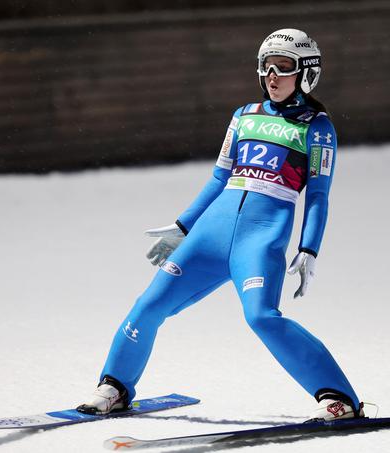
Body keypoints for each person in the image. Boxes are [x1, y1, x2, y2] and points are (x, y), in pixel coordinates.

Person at [77, 28, 363, 421]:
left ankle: (339, 398)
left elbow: (317, 196)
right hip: (210, 235)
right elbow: (218, 180)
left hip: (258, 241)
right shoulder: (243, 116)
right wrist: (183, 225)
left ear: (307, 73)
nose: (272, 76)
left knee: (262, 317)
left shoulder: (317, 128)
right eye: (266, 67)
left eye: (284, 67)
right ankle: (114, 386)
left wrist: (309, 247)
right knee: (148, 305)